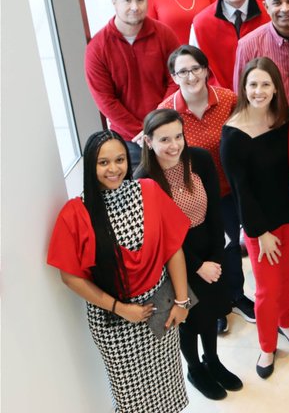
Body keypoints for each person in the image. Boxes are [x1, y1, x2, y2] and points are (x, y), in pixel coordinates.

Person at [47, 132, 191, 412]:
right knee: (131, 398)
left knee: (168, 384)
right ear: (91, 165)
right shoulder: (76, 213)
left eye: (119, 160)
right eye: (103, 162)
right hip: (113, 321)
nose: (113, 169)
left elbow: (173, 248)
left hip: (160, 304)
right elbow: (70, 276)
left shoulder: (148, 190)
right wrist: (119, 308)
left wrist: (182, 302)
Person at [137, 109, 241, 400]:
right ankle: (195, 368)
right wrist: (198, 266)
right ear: (148, 141)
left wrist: (217, 257)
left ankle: (213, 360)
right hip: (176, 257)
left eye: (178, 136)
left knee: (210, 313)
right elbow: (159, 238)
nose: (174, 145)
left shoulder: (200, 159)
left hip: (209, 245)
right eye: (164, 139)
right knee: (188, 319)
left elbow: (215, 212)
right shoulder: (144, 179)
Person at [219, 57, 289, 379]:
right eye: (253, 84)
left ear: (276, 88)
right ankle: (267, 345)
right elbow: (242, 192)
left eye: (265, 84)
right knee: (267, 290)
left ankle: (286, 323)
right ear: (243, 87)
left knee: (288, 279)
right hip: (262, 226)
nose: (259, 91)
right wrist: (260, 232)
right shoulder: (232, 134)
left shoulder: (286, 120)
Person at [156, 46, 245, 326]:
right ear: (174, 76)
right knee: (199, 253)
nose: (191, 76)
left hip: (228, 191)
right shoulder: (167, 111)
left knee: (229, 248)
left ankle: (237, 296)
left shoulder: (229, 99)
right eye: (183, 71)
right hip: (189, 197)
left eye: (196, 68)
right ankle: (214, 305)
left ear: (206, 70)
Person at [86, 0, 180, 146]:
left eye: (140, 0)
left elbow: (175, 80)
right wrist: (141, 133)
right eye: (127, 0)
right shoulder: (97, 48)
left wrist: (157, 125)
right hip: (128, 139)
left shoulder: (165, 35)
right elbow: (105, 100)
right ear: (114, 2)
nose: (135, 7)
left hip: (168, 129)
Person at [190, 0, 269, 88]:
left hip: (267, 96)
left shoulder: (270, 11)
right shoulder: (201, 24)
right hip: (223, 101)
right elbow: (196, 70)